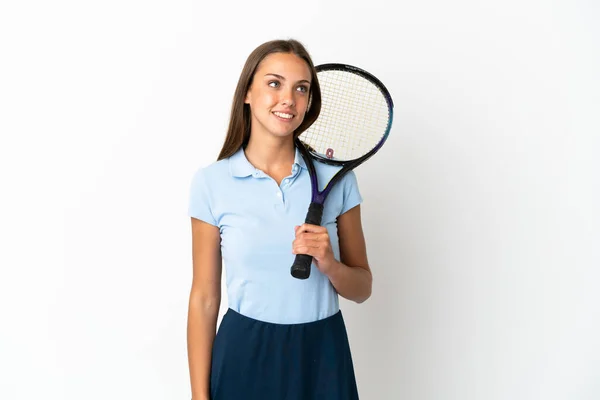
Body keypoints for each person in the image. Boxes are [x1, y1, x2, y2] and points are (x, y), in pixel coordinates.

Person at [187, 39, 372, 400]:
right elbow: (205, 298)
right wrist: (198, 395)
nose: (288, 98)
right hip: (245, 352)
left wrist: (330, 264)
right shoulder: (212, 183)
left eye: (301, 88)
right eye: (274, 83)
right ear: (248, 93)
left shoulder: (337, 180)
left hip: (323, 352)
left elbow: (362, 289)